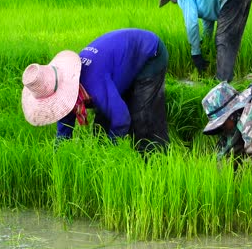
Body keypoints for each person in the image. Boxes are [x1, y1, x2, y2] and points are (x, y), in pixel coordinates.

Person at [21, 28, 169, 154]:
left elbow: (122, 119)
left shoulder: (94, 83)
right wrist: (58, 158)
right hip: (119, 63)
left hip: (150, 53)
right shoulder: (65, 84)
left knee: (142, 118)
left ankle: (155, 161)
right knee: (101, 126)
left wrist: (109, 151)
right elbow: (64, 130)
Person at [155, 0, 252, 82]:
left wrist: (195, 53)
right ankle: (227, 80)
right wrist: (205, 42)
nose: (171, 1)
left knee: (224, 40)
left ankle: (221, 84)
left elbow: (191, 24)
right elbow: (208, 19)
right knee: (231, 39)